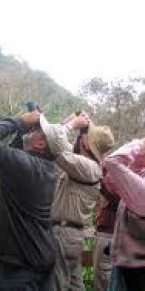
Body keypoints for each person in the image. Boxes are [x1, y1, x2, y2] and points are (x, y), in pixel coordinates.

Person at [0, 110, 66, 290]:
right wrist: (24, 129)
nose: (31, 132)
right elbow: (13, 153)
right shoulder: (47, 169)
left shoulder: (27, 167)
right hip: (37, 256)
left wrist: (19, 121)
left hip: (19, 268)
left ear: (41, 144)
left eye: (37, 131)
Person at [50, 113, 114, 291]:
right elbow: (63, 147)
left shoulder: (86, 167)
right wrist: (67, 122)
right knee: (74, 284)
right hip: (70, 234)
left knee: (57, 285)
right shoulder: (89, 165)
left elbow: (54, 147)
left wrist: (71, 125)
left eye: (84, 135)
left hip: (63, 235)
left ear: (87, 143)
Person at [103, 139, 145, 291]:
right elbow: (109, 181)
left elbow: (113, 162)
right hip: (126, 266)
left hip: (136, 271)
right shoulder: (141, 178)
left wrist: (138, 145)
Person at [93, 168, 120, 291]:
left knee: (103, 273)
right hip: (106, 234)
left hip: (109, 236)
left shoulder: (126, 188)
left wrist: (99, 174)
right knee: (99, 273)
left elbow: (110, 193)